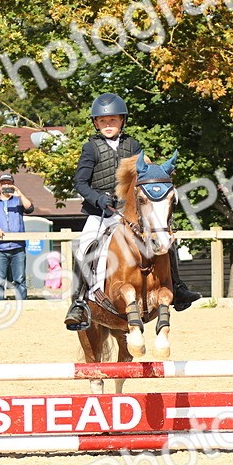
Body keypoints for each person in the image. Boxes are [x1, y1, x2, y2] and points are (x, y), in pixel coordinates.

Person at [64, 92, 200, 331]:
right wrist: (98, 198)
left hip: (130, 214)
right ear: (96, 123)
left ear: (122, 121)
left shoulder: (133, 146)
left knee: (166, 241)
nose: (108, 125)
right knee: (83, 248)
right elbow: (80, 183)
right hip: (100, 213)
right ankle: (78, 303)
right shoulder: (90, 148)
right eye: (103, 121)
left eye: (113, 120)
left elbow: (143, 178)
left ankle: (177, 287)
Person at [0, 173, 34, 301]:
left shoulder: (19, 201)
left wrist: (20, 194)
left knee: (20, 280)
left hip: (18, 247)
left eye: (9, 184)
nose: (6, 186)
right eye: (4, 184)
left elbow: (30, 208)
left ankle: (21, 304)